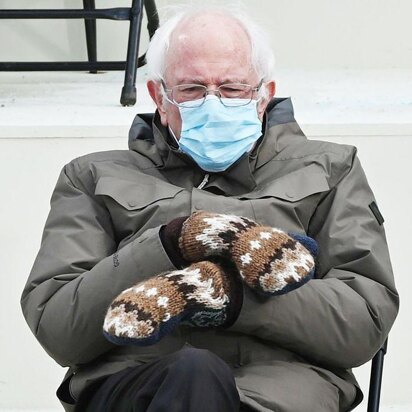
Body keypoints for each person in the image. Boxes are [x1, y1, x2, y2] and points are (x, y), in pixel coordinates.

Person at [21, 5, 399, 412]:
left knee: (200, 377)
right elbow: (59, 328)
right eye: (192, 90)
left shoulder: (330, 169)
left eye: (233, 89)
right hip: (138, 385)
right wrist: (169, 244)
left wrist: (228, 296)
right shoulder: (92, 175)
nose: (213, 104)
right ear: (159, 97)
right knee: (192, 373)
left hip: (280, 391)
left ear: (263, 96)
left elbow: (363, 324)